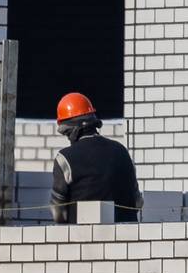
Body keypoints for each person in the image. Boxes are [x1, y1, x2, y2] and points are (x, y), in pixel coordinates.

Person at [51, 92, 142, 223]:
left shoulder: (65, 158)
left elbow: (58, 213)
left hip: (82, 239)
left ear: (73, 131)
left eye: (66, 133)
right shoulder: (122, 151)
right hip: (128, 237)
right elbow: (138, 202)